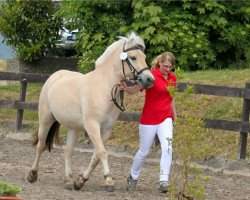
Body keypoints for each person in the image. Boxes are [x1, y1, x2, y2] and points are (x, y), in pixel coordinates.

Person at [120, 51, 177, 193]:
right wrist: (127, 89)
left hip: (165, 117)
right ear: (160, 63)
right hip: (149, 118)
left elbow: (172, 98)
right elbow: (136, 89)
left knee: (168, 148)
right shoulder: (151, 76)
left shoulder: (173, 78)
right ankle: (133, 177)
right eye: (165, 66)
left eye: (170, 67)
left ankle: (164, 180)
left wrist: (174, 116)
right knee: (144, 152)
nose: (168, 69)